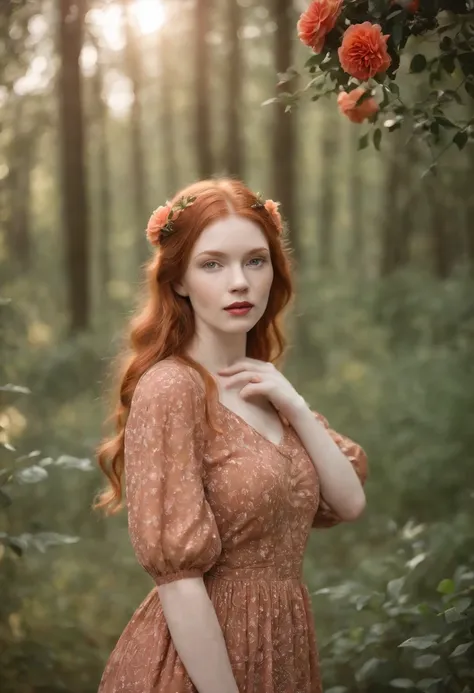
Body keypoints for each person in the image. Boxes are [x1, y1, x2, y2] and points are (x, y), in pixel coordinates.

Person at [94, 178, 368, 693]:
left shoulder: (266, 385)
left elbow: (349, 503)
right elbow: (178, 581)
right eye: (212, 264)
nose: (238, 282)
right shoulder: (172, 388)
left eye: (255, 261)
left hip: (281, 650)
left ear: (273, 272)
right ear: (178, 281)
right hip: (199, 667)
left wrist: (296, 408)